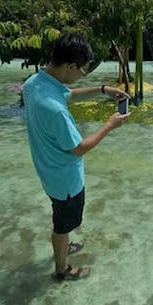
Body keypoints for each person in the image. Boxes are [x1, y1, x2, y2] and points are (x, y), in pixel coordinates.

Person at [23, 33, 130, 281]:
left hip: (48, 170)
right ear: (70, 66)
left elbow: (69, 94)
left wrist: (104, 90)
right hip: (65, 179)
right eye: (83, 70)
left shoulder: (35, 84)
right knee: (63, 224)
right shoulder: (54, 110)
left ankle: (63, 244)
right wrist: (110, 125)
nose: (83, 75)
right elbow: (79, 147)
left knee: (61, 217)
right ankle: (62, 269)